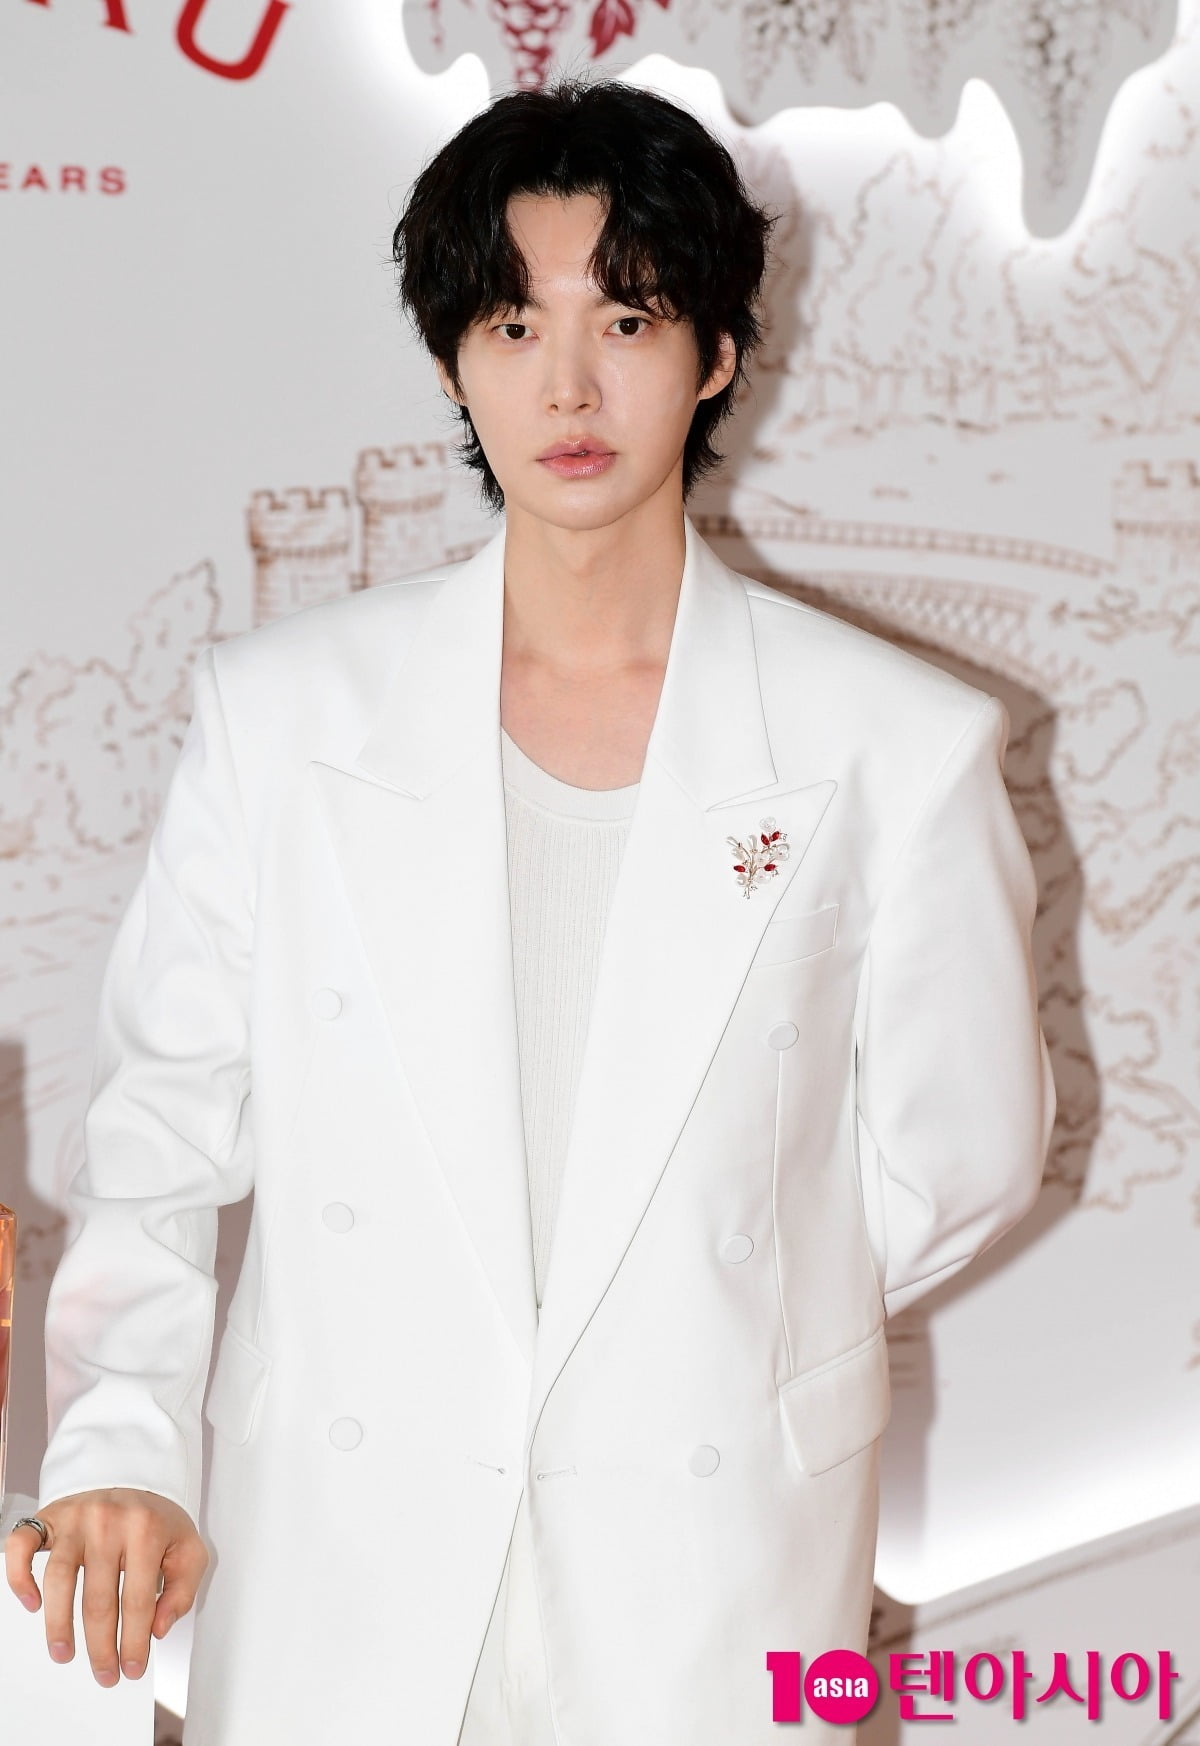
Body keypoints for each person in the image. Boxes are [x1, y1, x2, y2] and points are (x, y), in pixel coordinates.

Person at [4, 76, 1055, 1745]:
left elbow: (963, 1154)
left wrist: (705, 1298)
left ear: (716, 352)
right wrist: (124, 1445)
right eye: (513, 324)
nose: (568, 385)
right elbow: (160, 1140)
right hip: (343, 1552)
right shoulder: (282, 720)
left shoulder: (894, 746)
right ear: (453, 362)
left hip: (709, 1557)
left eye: (625, 319)